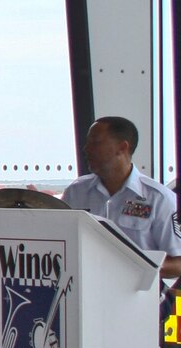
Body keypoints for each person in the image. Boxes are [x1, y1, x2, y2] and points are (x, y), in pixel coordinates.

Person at [61, 116, 181, 280]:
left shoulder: (159, 199)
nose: (86, 149)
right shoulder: (75, 193)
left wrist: (133, 264)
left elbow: (178, 264)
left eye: (95, 142)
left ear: (122, 147)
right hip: (86, 296)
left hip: (140, 298)